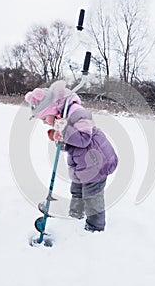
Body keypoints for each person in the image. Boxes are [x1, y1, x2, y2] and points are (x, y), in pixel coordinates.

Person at [25, 80, 118, 233]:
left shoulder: (77, 112)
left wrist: (64, 129)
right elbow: (72, 143)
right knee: (76, 189)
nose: (43, 123)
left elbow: (84, 139)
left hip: (96, 162)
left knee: (92, 196)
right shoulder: (62, 116)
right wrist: (60, 137)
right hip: (82, 163)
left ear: (52, 109)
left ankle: (95, 228)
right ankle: (76, 215)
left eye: (43, 118)